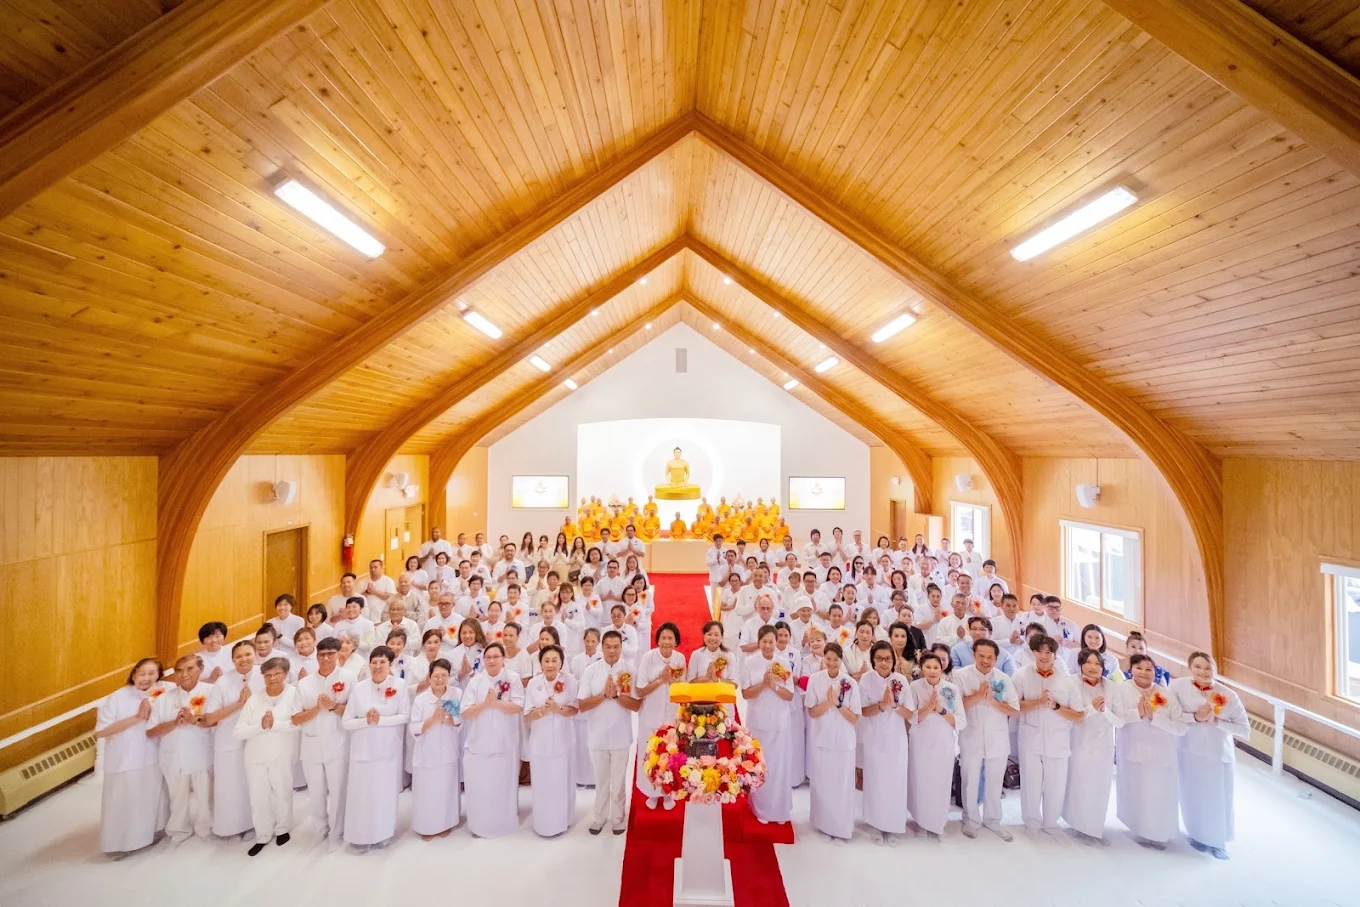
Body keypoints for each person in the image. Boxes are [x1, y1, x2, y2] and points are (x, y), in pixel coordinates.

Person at [1172, 651, 1250, 859]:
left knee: (1218, 797)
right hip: (1189, 750)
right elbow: (1172, 714)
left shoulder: (1228, 696)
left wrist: (1218, 722)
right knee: (1192, 794)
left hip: (1217, 754)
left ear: (1215, 670)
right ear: (1190, 668)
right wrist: (1195, 717)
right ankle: (1197, 834)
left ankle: (1218, 841)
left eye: (1208, 668)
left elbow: (1244, 729)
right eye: (1198, 667)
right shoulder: (1178, 686)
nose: (1203, 672)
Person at [1110, 654, 1187, 849]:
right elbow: (1117, 718)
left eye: (1149, 669)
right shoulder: (1121, 689)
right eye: (1139, 668)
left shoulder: (1166, 694)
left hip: (1162, 753)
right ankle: (1140, 829)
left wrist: (1155, 717)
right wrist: (1138, 714)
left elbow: (1181, 726)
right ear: (1131, 670)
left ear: (1155, 671)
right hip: (1133, 750)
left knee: (1160, 793)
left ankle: (1160, 833)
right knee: (1137, 791)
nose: (1144, 672)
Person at [95, 658, 168, 858]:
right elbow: (101, 732)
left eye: (152, 673)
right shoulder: (117, 697)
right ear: (133, 674)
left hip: (151, 756)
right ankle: (120, 843)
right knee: (123, 801)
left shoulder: (163, 691)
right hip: (124, 759)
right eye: (142, 673)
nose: (146, 678)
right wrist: (137, 717)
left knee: (149, 798)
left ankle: (149, 835)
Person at [1014, 634, 1082, 837]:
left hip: (1057, 739)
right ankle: (1031, 822)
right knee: (1030, 782)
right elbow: (1013, 706)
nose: (1044, 656)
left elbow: (1078, 715)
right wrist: (1037, 703)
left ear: (1055, 654)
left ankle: (1051, 823)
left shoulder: (1067, 680)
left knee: (1056, 782)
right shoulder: (1021, 675)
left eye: (1048, 652)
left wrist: (1055, 706)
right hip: (1030, 736)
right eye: (1039, 651)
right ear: (1032, 652)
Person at [342, 646, 409, 850]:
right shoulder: (359, 688)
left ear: (390, 665)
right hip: (362, 751)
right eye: (374, 662)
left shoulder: (400, 685)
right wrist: (366, 722)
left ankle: (383, 833)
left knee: (384, 794)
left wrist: (380, 721)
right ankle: (360, 836)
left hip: (387, 750)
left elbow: (404, 716)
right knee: (361, 794)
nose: (377, 666)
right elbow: (346, 722)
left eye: (382, 662)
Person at [232, 657, 300, 855]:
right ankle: (262, 834)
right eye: (268, 675)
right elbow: (238, 732)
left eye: (277, 674)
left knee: (282, 791)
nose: (272, 678)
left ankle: (282, 829)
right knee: (258, 795)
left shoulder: (294, 694)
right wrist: (259, 727)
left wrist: (274, 725)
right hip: (255, 755)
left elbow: (298, 724)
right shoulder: (254, 698)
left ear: (286, 675)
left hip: (282, 753)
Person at [290, 636, 353, 850]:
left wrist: (334, 706)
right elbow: (295, 718)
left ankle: (337, 832)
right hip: (311, 746)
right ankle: (320, 828)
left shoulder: (349, 678)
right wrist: (317, 709)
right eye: (322, 654)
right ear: (316, 656)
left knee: (338, 790)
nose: (325, 658)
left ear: (338, 655)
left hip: (339, 743)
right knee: (316, 792)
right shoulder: (304, 683)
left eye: (330, 654)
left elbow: (354, 712)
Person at [146, 654, 214, 846]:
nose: (184, 674)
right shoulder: (163, 699)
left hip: (202, 753)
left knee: (205, 794)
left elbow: (216, 722)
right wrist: (175, 723)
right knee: (177, 796)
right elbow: (151, 732)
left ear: (200, 670)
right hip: (173, 755)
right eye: (179, 670)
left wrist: (194, 720)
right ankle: (179, 830)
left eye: (190, 669)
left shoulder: (212, 691)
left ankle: (206, 828)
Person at [955, 638, 1018, 841]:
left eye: (990, 657)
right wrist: (978, 697)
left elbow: (1014, 709)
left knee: (994, 781)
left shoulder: (1003, 679)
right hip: (971, 736)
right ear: (974, 655)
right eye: (981, 656)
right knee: (970, 780)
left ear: (996, 658)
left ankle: (993, 820)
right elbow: (954, 705)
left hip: (997, 737)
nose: (985, 660)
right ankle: (970, 819)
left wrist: (992, 701)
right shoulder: (961, 676)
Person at [578, 629, 640, 835]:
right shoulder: (591, 671)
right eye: (608, 647)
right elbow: (583, 705)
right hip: (597, 735)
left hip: (621, 735)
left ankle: (618, 818)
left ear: (622, 648)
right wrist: (604, 695)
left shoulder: (630, 670)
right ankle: (599, 817)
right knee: (602, 780)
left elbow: (636, 705)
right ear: (601, 648)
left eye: (616, 647)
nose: (612, 651)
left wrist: (617, 696)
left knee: (619, 780)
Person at [459, 642, 524, 838]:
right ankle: (480, 825)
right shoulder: (476, 681)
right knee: (481, 787)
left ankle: (504, 824)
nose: (492, 660)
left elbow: (519, 705)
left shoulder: (512, 679)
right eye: (488, 657)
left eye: (496, 656)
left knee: (503, 785)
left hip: (505, 743)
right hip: (479, 743)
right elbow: (465, 711)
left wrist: (497, 703)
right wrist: (485, 705)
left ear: (504, 659)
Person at [858, 641, 915, 844]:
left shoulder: (901, 680)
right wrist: (882, 705)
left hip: (896, 738)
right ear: (873, 660)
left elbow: (910, 713)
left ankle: (892, 824)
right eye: (879, 658)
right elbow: (862, 711)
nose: (884, 663)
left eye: (888, 659)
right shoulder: (866, 679)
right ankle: (875, 824)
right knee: (875, 781)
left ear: (893, 660)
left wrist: (895, 705)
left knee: (895, 781)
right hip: (874, 737)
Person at [1063, 648, 1122, 843]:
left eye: (1097, 663)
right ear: (1080, 665)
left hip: (1104, 744)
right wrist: (1092, 709)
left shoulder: (1112, 687)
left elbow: (1119, 720)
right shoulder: (1072, 682)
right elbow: (1073, 715)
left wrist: (1103, 711)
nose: (1093, 667)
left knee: (1100, 786)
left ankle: (1095, 827)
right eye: (1088, 662)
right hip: (1079, 742)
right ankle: (1077, 823)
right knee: (1079, 784)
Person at [804, 642, 861, 842]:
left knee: (842, 785)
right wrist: (828, 702)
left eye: (835, 659)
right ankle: (823, 824)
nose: (831, 662)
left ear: (840, 660)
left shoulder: (850, 683)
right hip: (822, 739)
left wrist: (837, 704)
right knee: (823, 783)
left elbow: (854, 718)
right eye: (828, 658)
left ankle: (841, 827)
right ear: (823, 658)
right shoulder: (815, 680)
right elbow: (812, 711)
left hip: (844, 742)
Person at [204, 641, 260, 840]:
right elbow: (210, 718)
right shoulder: (223, 682)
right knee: (230, 786)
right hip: (228, 741)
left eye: (248, 654)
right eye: (238, 656)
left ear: (255, 655)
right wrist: (239, 704)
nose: (244, 659)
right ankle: (230, 827)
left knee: (255, 784)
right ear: (232, 659)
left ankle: (256, 824)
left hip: (257, 740)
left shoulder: (265, 675)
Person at [740, 625, 795, 824]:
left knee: (779, 766)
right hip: (758, 720)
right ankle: (761, 808)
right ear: (759, 642)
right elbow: (746, 694)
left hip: (780, 722)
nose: (768, 645)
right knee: (760, 765)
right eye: (764, 641)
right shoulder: (749, 662)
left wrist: (774, 686)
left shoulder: (783, 663)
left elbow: (789, 695)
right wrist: (763, 684)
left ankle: (780, 810)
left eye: (772, 642)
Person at [524, 645, 579, 836]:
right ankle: (543, 823)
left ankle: (563, 820)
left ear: (561, 662)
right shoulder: (533, 684)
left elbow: (574, 709)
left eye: (554, 660)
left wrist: (557, 708)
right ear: (540, 663)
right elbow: (528, 714)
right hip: (541, 741)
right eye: (546, 660)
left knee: (562, 780)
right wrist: (543, 711)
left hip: (564, 739)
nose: (550, 664)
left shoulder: (570, 681)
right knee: (542, 783)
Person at [907, 652, 963, 839]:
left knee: (941, 783)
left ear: (942, 668)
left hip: (943, 742)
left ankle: (938, 823)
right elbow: (910, 717)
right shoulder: (914, 687)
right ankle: (922, 822)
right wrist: (927, 708)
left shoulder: (952, 689)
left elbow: (961, 721)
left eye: (936, 667)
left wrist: (940, 710)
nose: (932, 671)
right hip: (920, 742)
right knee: (921, 782)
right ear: (922, 668)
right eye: (928, 667)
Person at [409, 658, 462, 839]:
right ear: (429, 677)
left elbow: (460, 721)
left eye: (444, 676)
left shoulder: (455, 694)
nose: (439, 680)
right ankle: (427, 826)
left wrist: (447, 719)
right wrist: (432, 721)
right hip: (426, 754)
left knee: (446, 788)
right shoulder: (421, 700)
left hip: (448, 751)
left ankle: (446, 823)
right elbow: (414, 727)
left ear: (449, 677)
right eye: (436, 676)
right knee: (427, 792)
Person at [635, 622, 687, 809]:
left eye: (670, 638)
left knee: (670, 756)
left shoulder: (680, 659)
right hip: (650, 714)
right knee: (650, 756)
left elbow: (682, 688)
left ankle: (667, 793)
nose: (666, 642)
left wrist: (672, 682)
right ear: (658, 640)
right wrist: (660, 680)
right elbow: (640, 690)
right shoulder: (648, 658)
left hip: (671, 716)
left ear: (676, 641)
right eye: (663, 638)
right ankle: (651, 793)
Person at [688, 619, 733, 684]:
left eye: (716, 635)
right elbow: (690, 682)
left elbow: (735, 684)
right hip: (701, 693)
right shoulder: (696, 654)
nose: (712, 638)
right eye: (709, 634)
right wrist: (706, 677)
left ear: (722, 637)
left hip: (723, 693)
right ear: (704, 636)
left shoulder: (729, 656)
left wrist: (718, 679)